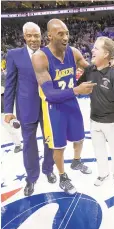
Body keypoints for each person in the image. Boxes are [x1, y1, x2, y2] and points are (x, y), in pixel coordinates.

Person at [31, 19, 95, 194]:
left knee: (80, 137)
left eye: (67, 33)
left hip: (71, 102)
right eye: (61, 34)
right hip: (54, 108)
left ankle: (76, 161)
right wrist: (76, 89)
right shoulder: (40, 57)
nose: (66, 37)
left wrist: (102, 66)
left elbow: (90, 69)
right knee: (59, 146)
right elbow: (50, 94)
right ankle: (62, 176)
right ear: (50, 36)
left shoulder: (73, 52)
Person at [4, 22, 56, 196]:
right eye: (30, 36)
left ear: (41, 36)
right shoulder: (13, 55)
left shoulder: (50, 53)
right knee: (29, 143)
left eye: (37, 36)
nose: (34, 39)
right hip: (26, 107)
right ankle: (31, 177)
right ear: (24, 37)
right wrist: (8, 111)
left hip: (49, 105)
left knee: (50, 140)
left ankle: (48, 169)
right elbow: (10, 84)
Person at [77, 36, 114, 186]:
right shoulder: (89, 70)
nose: (92, 50)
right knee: (99, 151)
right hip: (94, 121)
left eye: (96, 48)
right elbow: (78, 85)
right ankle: (103, 174)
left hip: (112, 123)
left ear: (106, 54)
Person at [1, 69, 22, 153]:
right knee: (6, 124)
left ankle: (17, 144)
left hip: (3, 106)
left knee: (7, 126)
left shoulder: (2, 75)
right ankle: (13, 121)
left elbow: (4, 87)